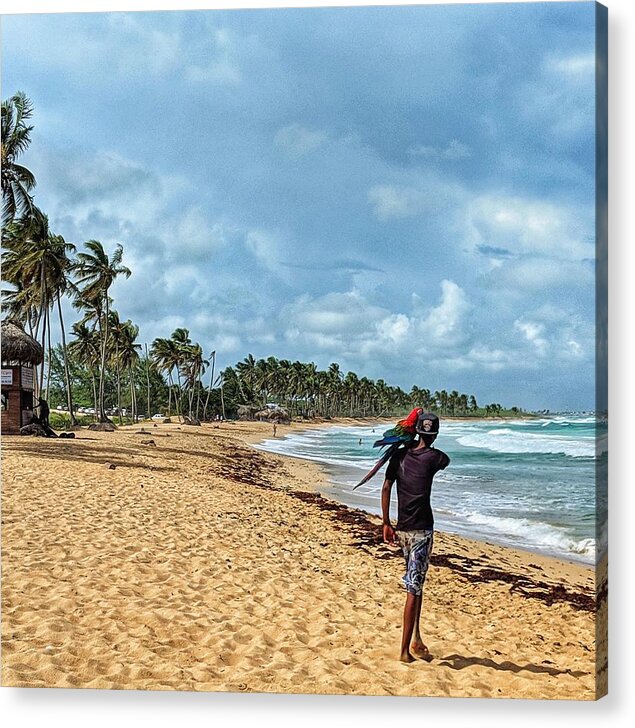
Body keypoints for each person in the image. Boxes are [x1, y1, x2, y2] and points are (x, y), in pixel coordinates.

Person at [381, 411, 450, 663]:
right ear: (435, 434)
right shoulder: (434, 457)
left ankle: (417, 639)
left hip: (402, 531)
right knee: (413, 588)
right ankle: (403, 652)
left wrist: (386, 522)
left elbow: (387, 486)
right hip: (422, 531)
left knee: (415, 584)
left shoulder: (399, 456)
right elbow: (446, 460)